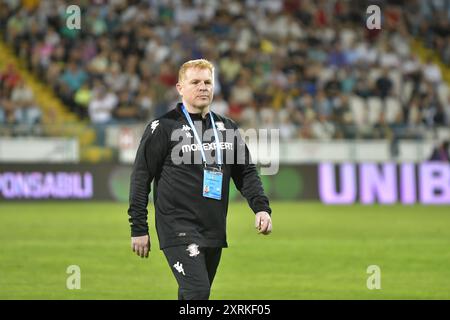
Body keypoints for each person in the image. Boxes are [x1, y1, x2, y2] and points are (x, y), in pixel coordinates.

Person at [127, 59, 272, 300]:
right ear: (180, 87)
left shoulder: (227, 128)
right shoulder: (162, 127)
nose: (203, 87)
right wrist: (138, 227)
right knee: (197, 292)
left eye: (208, 82)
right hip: (177, 226)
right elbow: (141, 178)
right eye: (195, 82)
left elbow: (246, 172)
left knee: (193, 296)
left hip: (213, 228)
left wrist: (261, 208)